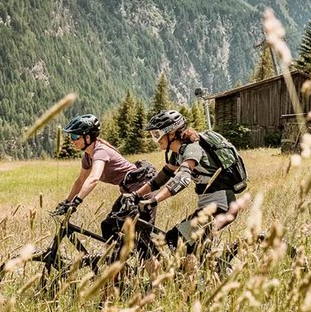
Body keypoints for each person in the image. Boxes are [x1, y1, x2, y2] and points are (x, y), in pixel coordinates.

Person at [133, 110, 239, 255]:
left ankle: (215, 267)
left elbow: (183, 178)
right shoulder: (177, 153)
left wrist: (154, 200)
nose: (155, 139)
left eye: (157, 135)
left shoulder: (193, 148)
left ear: (172, 133)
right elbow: (163, 177)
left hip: (221, 206)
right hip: (207, 207)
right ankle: (215, 264)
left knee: (177, 241)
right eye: (153, 135)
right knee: (177, 239)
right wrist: (135, 195)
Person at [53, 114, 157, 258]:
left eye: (76, 136)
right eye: (71, 137)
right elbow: (80, 180)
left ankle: (157, 276)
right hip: (128, 194)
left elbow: (94, 178)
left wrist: (77, 201)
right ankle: (118, 271)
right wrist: (67, 202)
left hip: (141, 191)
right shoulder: (87, 157)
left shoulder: (100, 151)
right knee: (108, 226)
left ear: (88, 138)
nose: (72, 140)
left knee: (141, 243)